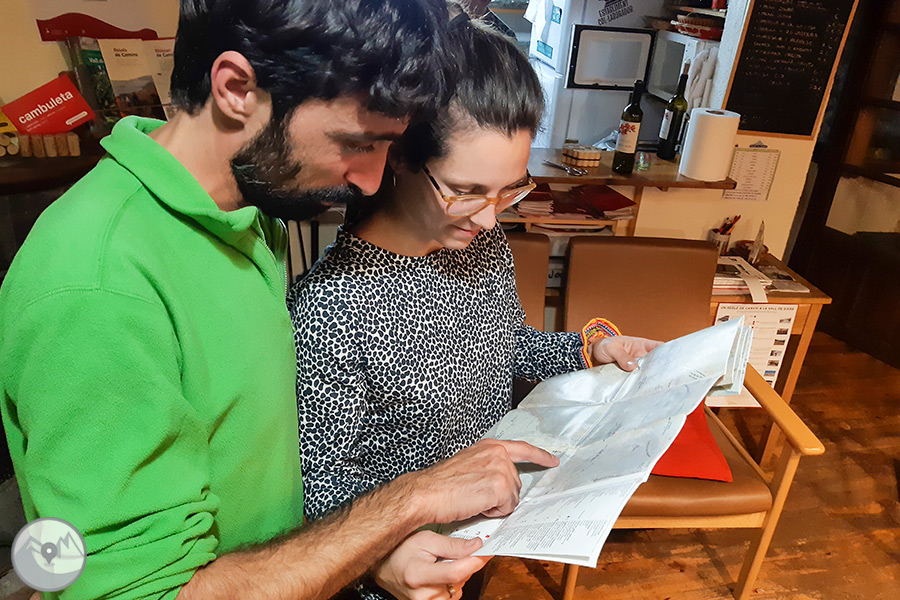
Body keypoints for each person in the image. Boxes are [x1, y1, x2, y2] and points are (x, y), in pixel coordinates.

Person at [0, 2, 559, 599]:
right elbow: (143, 591)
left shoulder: (250, 214)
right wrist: (410, 501)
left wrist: (368, 550)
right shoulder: (96, 285)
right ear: (236, 90)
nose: (371, 182)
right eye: (357, 142)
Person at [290, 9, 661, 528]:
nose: (489, 218)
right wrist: (399, 547)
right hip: (411, 555)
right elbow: (323, 488)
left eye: (509, 190)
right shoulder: (332, 308)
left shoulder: (480, 244)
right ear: (398, 156)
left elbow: (507, 346)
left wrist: (593, 350)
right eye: (465, 191)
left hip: (492, 525)